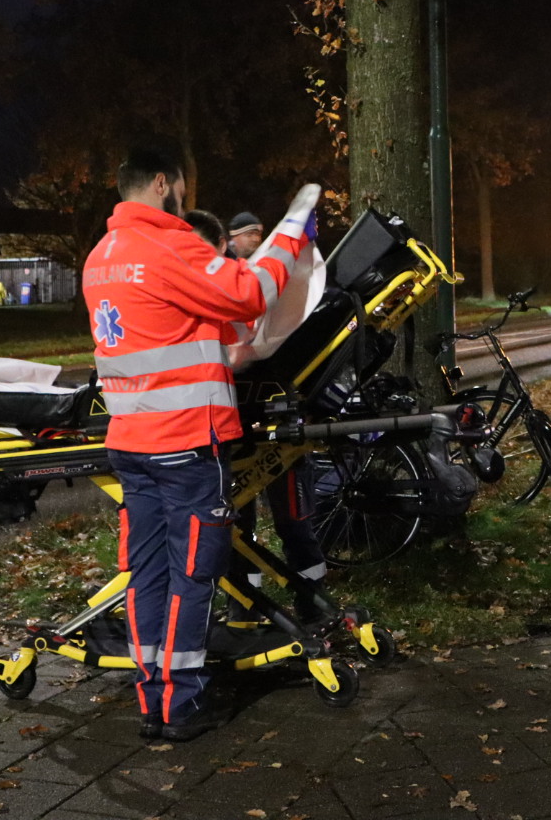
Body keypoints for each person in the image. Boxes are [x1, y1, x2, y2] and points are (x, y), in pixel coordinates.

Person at [83, 145, 315, 743]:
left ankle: (151, 701)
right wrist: (293, 226)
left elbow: (173, 321)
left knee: (147, 573)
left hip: (131, 442)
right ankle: (182, 706)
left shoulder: (101, 257)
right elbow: (249, 292)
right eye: (182, 185)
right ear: (163, 182)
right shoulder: (171, 243)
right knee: (193, 574)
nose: (184, 195)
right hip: (186, 441)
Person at [184, 209, 328, 623]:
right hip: (234, 420)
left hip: (262, 414)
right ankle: (246, 607)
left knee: (292, 521)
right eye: (252, 234)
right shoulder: (219, 284)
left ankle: (309, 603)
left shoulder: (243, 284)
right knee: (239, 526)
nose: (257, 240)